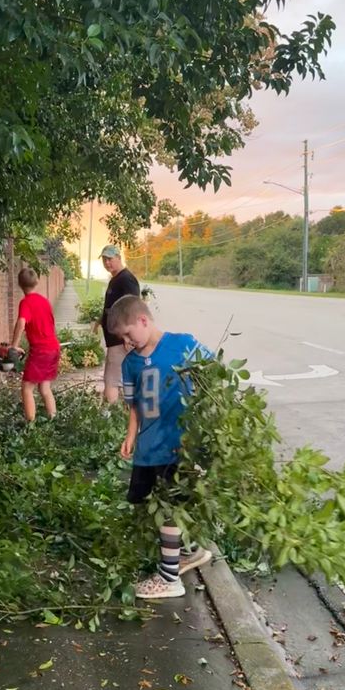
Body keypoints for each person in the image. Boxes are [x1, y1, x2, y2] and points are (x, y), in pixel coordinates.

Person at [108, 294, 213, 600]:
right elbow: (134, 405)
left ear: (143, 320)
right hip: (149, 447)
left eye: (128, 334)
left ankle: (169, 578)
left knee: (170, 507)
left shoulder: (183, 345)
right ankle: (189, 552)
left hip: (177, 446)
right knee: (157, 504)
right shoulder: (131, 364)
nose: (127, 341)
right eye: (122, 338)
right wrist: (131, 435)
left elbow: (212, 375)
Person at [9, 267, 60, 422]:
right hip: (54, 348)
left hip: (41, 351)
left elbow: (21, 323)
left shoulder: (25, 302)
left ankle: (30, 427)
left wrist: (13, 345)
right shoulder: (44, 301)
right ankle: (53, 419)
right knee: (44, 388)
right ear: (37, 282)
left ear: (19, 284)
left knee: (27, 388)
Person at [95, 246, 141, 405]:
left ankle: (110, 417)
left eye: (110, 259)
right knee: (117, 378)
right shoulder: (116, 278)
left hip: (120, 339)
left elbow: (133, 308)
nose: (107, 263)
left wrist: (127, 336)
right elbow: (113, 306)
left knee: (111, 380)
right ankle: (122, 411)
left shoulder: (126, 279)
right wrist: (101, 320)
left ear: (118, 257)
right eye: (104, 259)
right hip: (115, 339)